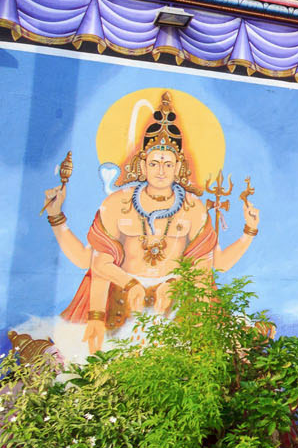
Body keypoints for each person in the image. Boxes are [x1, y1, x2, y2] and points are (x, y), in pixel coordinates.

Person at [42, 92, 259, 354]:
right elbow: (95, 264)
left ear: (178, 167)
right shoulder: (117, 203)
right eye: (154, 163)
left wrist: (249, 231)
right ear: (142, 166)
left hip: (175, 304)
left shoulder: (193, 208)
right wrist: (56, 216)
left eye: (168, 164)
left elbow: (210, 266)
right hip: (121, 303)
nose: (161, 170)